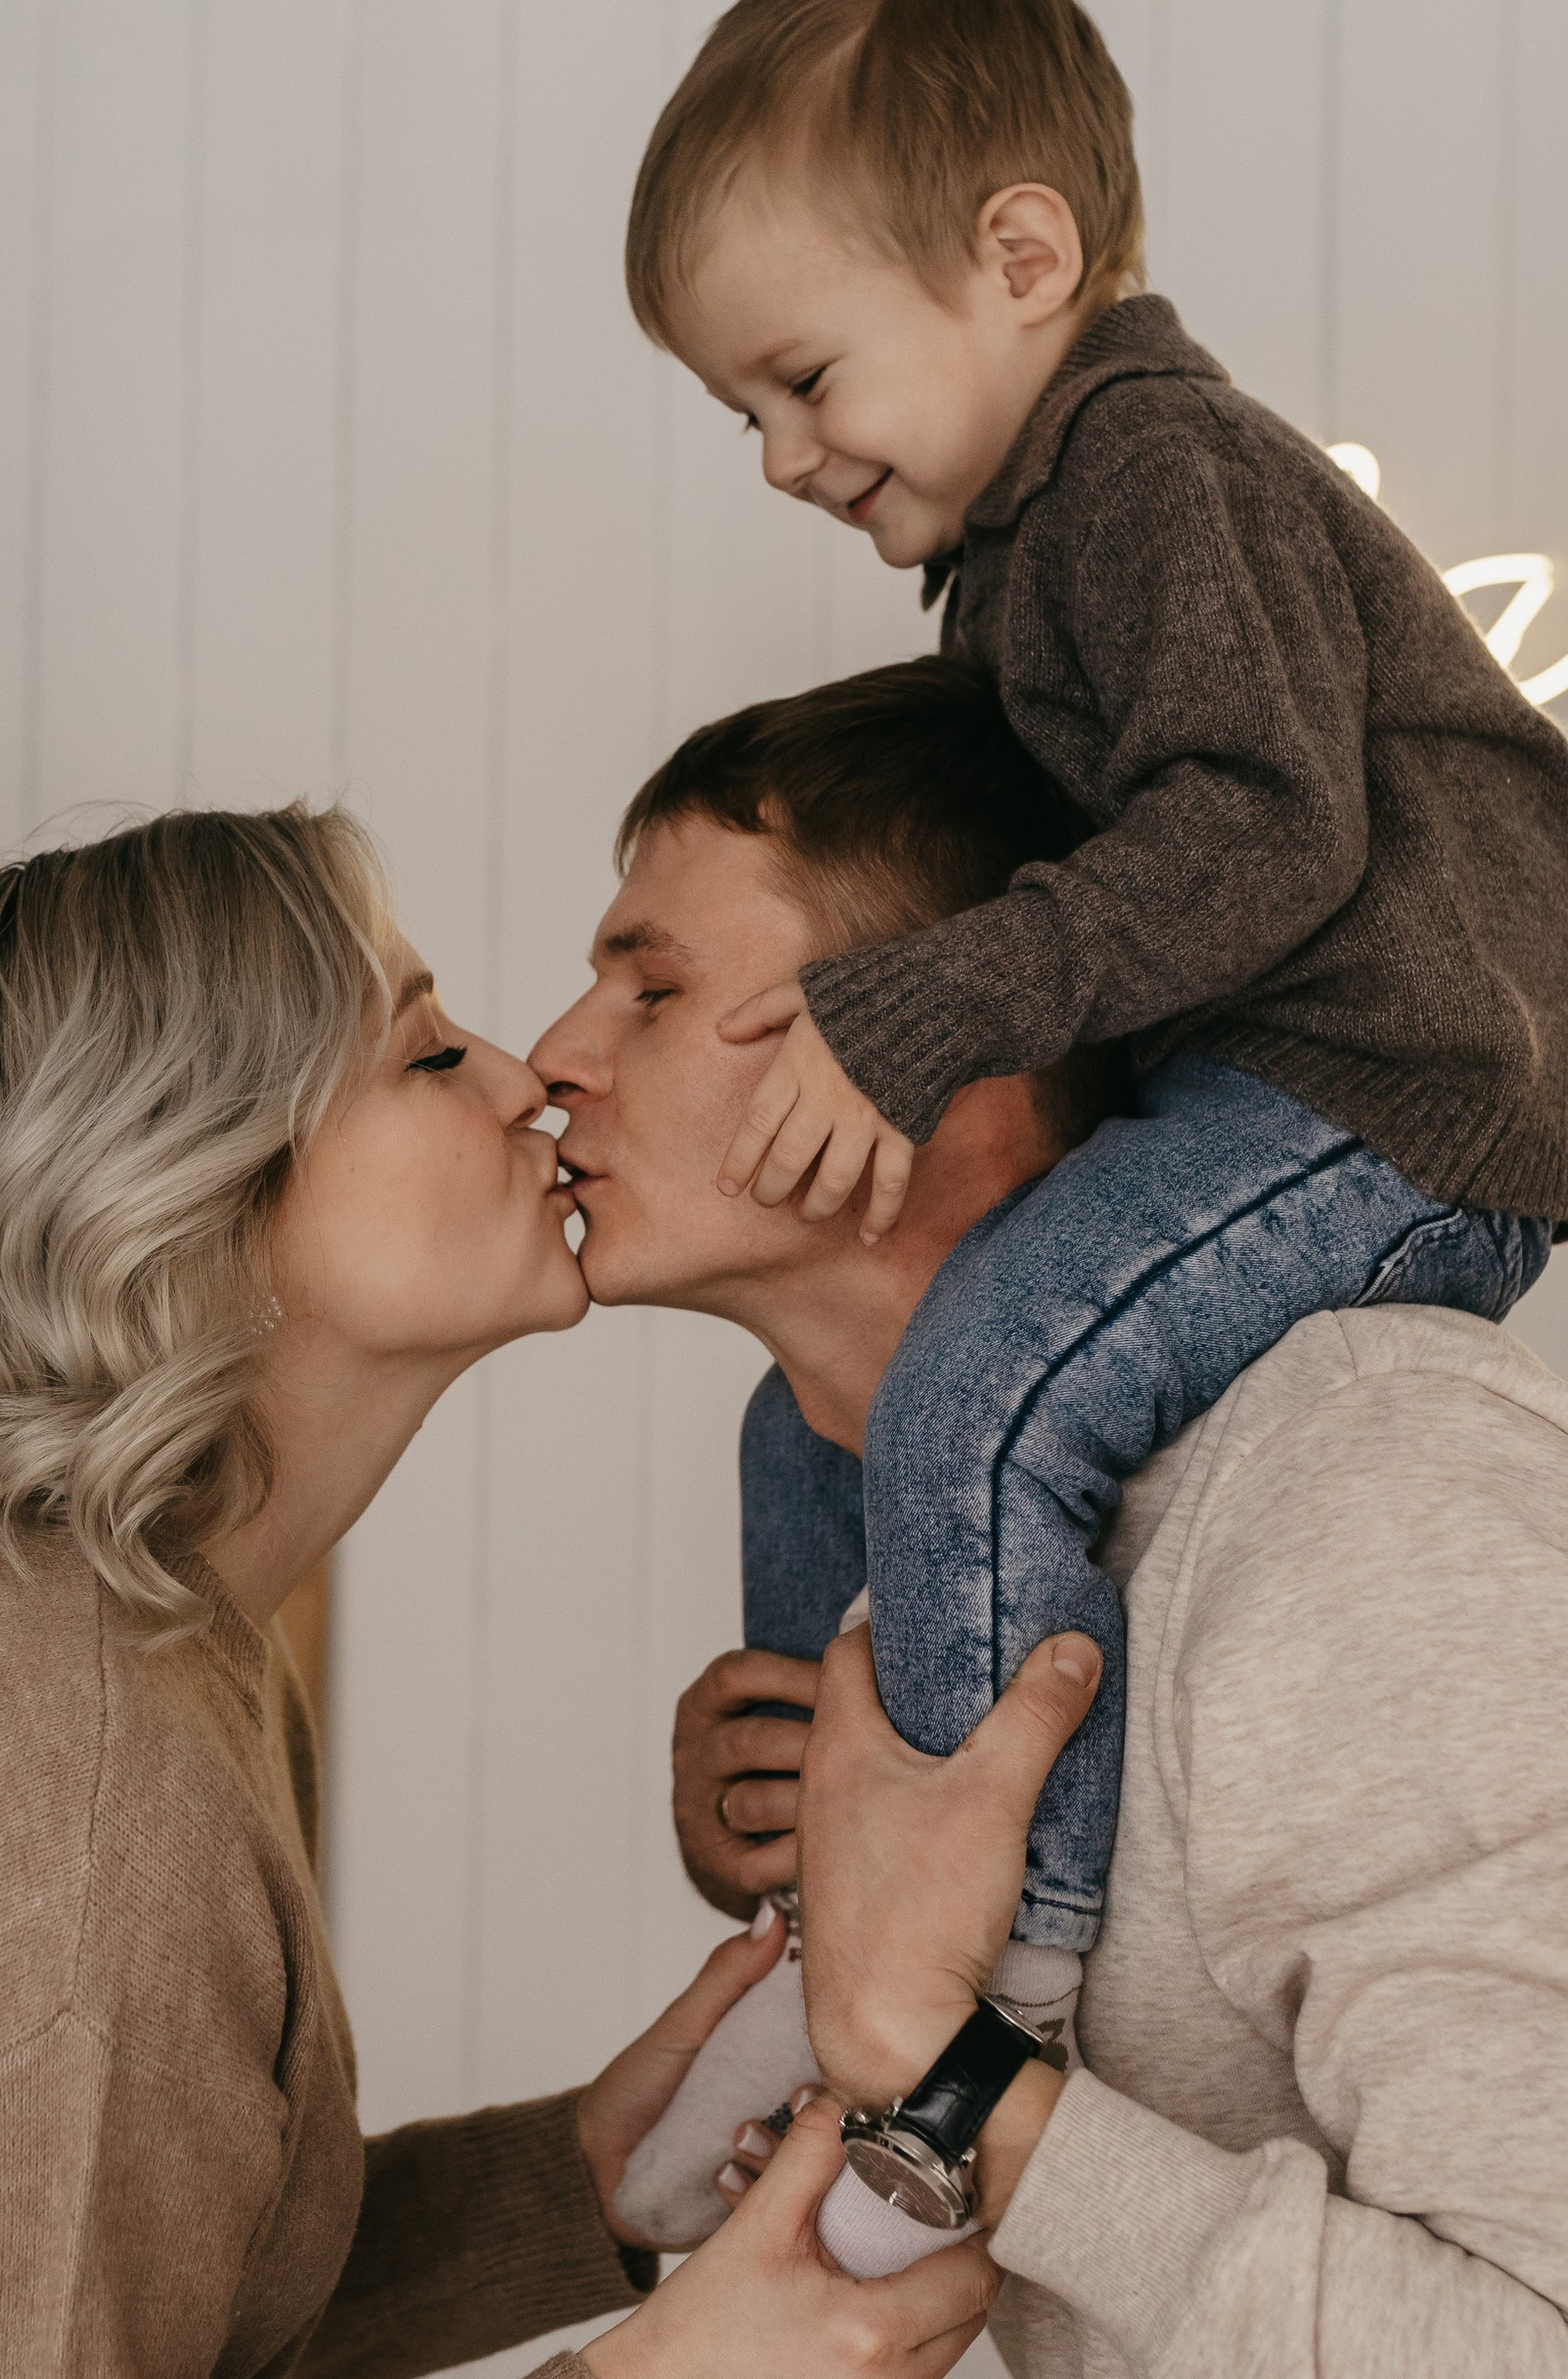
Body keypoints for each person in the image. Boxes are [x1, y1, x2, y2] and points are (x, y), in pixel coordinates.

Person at [0, 805, 1001, 2379]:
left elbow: (143, 2298)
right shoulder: (69, 1796)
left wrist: (571, 2173)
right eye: (427, 1056)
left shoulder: (127, 1648)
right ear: (196, 1198)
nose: (526, 1078)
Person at [613, 0, 1568, 2187]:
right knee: (809, 1428)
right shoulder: (1019, 545)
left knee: (977, 1379)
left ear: (1018, 258)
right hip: (1267, 1074)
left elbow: (1261, 827)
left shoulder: (1153, 467)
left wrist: (917, 1005)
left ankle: (982, 1960)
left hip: (1393, 1083)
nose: (779, 457)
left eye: (801, 380)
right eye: (742, 414)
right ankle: (818, 1908)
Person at [531, 670, 1568, 2371]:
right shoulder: (880, 1517)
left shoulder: (1367, 1495)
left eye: (654, 991)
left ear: (951, 1067)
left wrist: (946, 2073)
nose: (554, 1058)